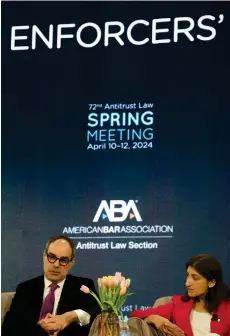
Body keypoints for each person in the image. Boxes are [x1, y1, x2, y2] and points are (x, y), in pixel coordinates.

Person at [2, 235, 100, 336]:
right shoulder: (25, 289)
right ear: (44, 256)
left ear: (71, 263)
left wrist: (70, 316)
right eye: (52, 257)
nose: (56, 265)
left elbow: (95, 311)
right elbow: (9, 328)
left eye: (63, 260)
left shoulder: (82, 286)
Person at [130, 254, 230, 336]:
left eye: (195, 278)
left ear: (211, 282)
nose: (187, 283)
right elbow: (135, 315)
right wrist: (154, 318)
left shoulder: (227, 308)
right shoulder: (179, 304)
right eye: (187, 276)